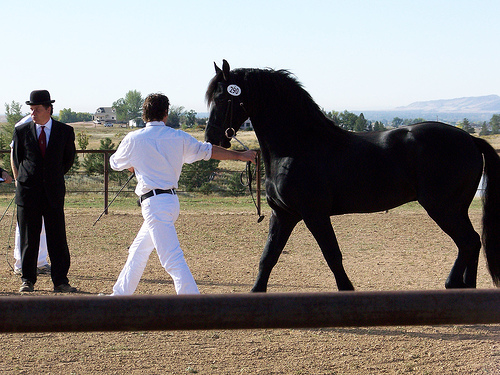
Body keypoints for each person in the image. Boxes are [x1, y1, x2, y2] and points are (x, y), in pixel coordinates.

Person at [109, 93, 257, 295]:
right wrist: (241, 156)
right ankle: (120, 295)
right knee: (138, 250)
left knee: (171, 258)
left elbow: (115, 163)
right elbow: (210, 151)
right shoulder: (178, 137)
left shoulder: (133, 139)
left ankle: (192, 302)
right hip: (170, 202)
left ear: (144, 115)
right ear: (166, 114)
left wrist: (134, 164)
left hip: (154, 205)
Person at [11, 90, 76, 293]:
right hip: (28, 192)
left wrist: (51, 177)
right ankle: (27, 280)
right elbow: (18, 159)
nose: (33, 113)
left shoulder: (64, 131)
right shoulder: (21, 131)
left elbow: (68, 160)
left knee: (57, 237)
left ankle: (60, 281)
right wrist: (22, 181)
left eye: (37, 109)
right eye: (31, 109)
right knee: (29, 238)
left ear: (49, 109)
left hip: (53, 193)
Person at [11, 115, 50, 275]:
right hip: (27, 184)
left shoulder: (50, 124)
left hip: (45, 186)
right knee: (25, 226)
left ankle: (40, 261)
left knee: (43, 225)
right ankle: (20, 264)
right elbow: (15, 156)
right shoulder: (24, 125)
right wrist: (18, 180)